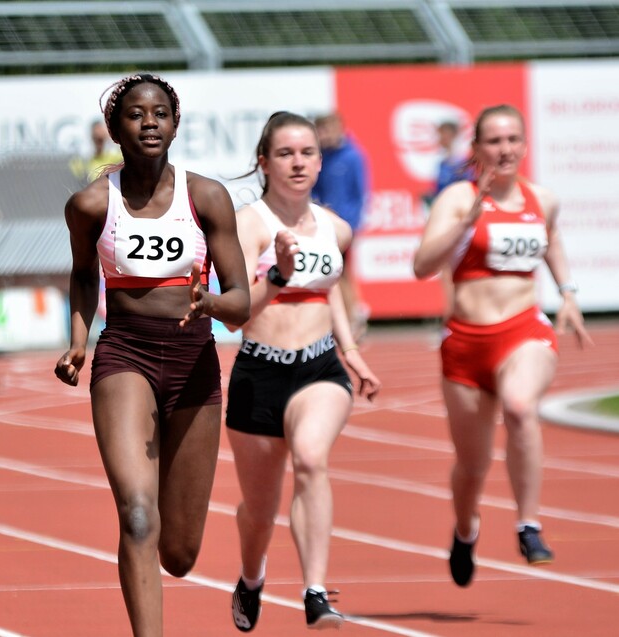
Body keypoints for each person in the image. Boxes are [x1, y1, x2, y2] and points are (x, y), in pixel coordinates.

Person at [54, 73, 251, 636]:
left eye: (160, 113)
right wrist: (76, 341)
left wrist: (208, 301)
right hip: (124, 357)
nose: (149, 123)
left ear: (175, 123)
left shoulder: (207, 197)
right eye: (136, 115)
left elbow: (240, 304)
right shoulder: (92, 203)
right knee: (138, 516)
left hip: (194, 363)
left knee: (181, 553)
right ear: (116, 128)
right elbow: (81, 274)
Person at [412, 104, 593, 588]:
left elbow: (550, 238)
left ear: (525, 145)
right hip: (466, 344)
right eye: (494, 141)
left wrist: (568, 293)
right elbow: (422, 266)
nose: (505, 149)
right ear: (476, 149)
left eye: (513, 139)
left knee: (519, 407)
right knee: (472, 466)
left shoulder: (543, 199)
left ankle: (528, 524)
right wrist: (463, 222)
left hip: (523, 331)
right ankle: (466, 529)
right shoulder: (457, 197)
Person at [225, 111, 381, 631]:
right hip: (258, 373)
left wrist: (351, 352)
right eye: (286, 153)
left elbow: (330, 286)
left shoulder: (336, 227)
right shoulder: (247, 225)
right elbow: (236, 314)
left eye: (308, 153)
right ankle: (251, 576)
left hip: (319, 368)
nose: (298, 163)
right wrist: (278, 274)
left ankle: (316, 591)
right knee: (259, 508)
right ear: (263, 162)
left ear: (320, 162)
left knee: (312, 460)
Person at [311, 112, 370, 341]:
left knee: (343, 273)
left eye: (326, 130)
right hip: (323, 224)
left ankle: (354, 317)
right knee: (333, 273)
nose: (323, 135)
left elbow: (359, 193)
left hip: (344, 226)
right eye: (320, 131)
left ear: (338, 128)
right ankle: (346, 319)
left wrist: (352, 225)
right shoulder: (322, 157)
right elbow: (316, 189)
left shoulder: (353, 156)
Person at [423, 120, 474, 206]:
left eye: (442, 134)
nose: (439, 138)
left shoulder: (463, 161)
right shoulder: (441, 163)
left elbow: (469, 188)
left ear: (451, 135)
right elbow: (437, 189)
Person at [71, 119, 124, 183]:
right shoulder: (84, 163)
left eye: (101, 138)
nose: (99, 140)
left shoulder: (117, 158)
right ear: (92, 137)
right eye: (96, 137)